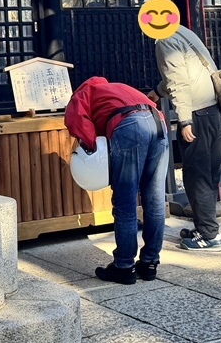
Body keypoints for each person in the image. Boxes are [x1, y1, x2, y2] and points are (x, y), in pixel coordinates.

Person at [64, 76, 169, 284]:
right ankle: (149, 263)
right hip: (159, 123)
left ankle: (124, 265)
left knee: (125, 201)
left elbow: (76, 122)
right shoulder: (117, 88)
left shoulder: (84, 93)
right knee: (155, 199)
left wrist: (91, 146)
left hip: (130, 126)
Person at [152, 25, 221, 251]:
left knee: (197, 176)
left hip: (198, 115)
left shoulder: (165, 41)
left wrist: (184, 121)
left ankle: (209, 236)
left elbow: (178, 82)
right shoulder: (184, 33)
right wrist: (158, 91)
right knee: (210, 174)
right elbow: (187, 72)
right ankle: (205, 226)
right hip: (218, 112)